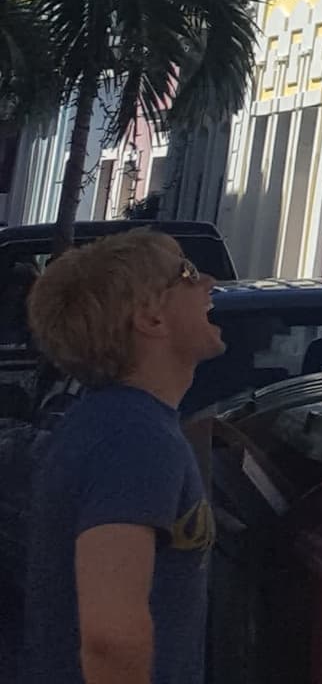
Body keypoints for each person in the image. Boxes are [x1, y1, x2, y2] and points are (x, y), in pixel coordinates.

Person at [18, 231, 220, 684]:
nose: (208, 282)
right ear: (150, 318)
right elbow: (111, 637)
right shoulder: (133, 438)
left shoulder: (118, 422)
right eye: (187, 274)